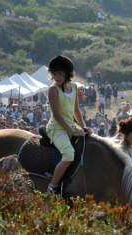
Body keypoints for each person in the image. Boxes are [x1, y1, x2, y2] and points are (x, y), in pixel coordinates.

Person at [46, 55, 92, 195]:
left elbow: (76, 110)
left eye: (60, 74)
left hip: (71, 125)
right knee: (68, 154)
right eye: (54, 74)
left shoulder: (74, 87)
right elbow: (57, 115)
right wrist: (73, 131)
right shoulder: (53, 90)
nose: (56, 77)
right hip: (57, 128)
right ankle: (51, 188)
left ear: (68, 74)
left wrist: (82, 127)